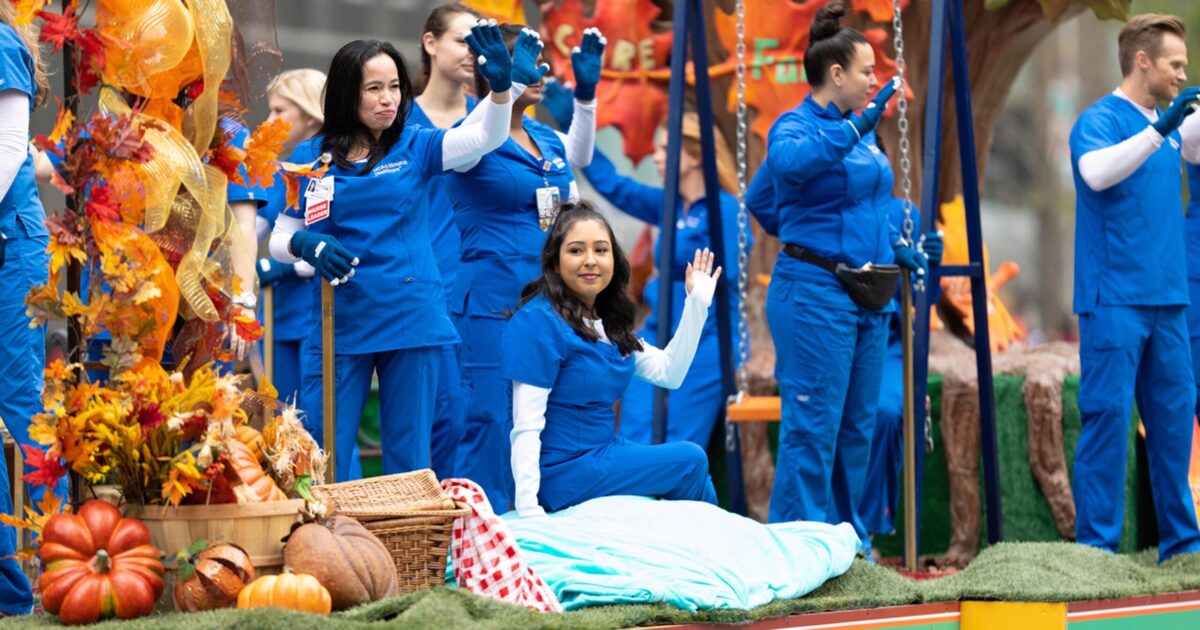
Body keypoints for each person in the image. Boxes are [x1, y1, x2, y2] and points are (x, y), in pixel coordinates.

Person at [268, 23, 520, 481]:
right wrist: (304, 242)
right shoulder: (309, 156)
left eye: (395, 88)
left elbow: (485, 139)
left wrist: (501, 90)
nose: (388, 99)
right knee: (322, 450)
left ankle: (404, 551)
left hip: (411, 316)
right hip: (337, 320)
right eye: (374, 89)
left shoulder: (417, 143)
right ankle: (332, 546)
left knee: (408, 456)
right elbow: (279, 240)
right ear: (347, 94)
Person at [762, 2, 930, 552]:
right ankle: (797, 550)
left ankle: (843, 543)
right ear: (837, 75)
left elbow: (872, 202)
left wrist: (894, 245)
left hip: (868, 294)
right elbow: (777, 182)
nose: (874, 81)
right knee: (813, 429)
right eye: (867, 71)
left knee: (857, 429)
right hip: (813, 293)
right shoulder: (796, 125)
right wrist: (807, 237)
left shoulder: (864, 137)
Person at [447, 24, 604, 509]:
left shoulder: (545, 138)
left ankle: (539, 520)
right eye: (528, 61)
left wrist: (586, 98)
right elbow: (485, 133)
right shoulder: (469, 135)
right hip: (493, 299)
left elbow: (576, 172)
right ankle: (484, 528)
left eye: (540, 60)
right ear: (495, 68)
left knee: (548, 413)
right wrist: (504, 88)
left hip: (550, 300)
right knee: (491, 414)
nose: (543, 70)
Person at [541, 89, 750, 447]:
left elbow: (726, 285)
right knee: (635, 429)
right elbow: (612, 184)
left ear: (696, 155)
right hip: (657, 330)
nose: (657, 156)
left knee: (677, 440)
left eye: (668, 149)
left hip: (705, 341)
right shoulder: (668, 205)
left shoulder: (724, 210)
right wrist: (573, 122)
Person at [1070, 13, 1200, 562]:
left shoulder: (1171, 127)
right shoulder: (1098, 119)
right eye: (1175, 64)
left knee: (1173, 426)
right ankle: (1097, 552)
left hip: (1169, 300)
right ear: (1142, 61)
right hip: (1113, 299)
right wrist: (1160, 129)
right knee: (1107, 422)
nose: (1182, 73)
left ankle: (1183, 545)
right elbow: (1096, 173)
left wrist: (1170, 126)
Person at [503, 201, 720, 516]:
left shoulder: (605, 323)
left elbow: (669, 372)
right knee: (691, 461)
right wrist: (528, 510)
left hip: (603, 453)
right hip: (562, 473)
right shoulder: (538, 322)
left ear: (614, 260)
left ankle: (699, 546)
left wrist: (697, 304)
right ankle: (713, 546)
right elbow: (525, 425)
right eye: (576, 251)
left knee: (688, 467)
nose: (590, 260)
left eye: (601, 250)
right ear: (555, 261)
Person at [408, 2, 481, 479]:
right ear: (430, 42)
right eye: (462, 40)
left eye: (479, 44)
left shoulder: (492, 118)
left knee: (469, 417)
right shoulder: (396, 119)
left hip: (478, 287)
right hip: (417, 288)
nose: (472, 53)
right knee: (420, 420)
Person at [0, 1, 49, 614]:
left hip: (10, 242)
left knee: (18, 401)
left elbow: (8, 147)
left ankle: (48, 564)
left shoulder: (1, 42)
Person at [254, 68, 325, 403]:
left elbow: (338, 237)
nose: (269, 120)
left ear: (310, 112)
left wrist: (290, 267)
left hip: (316, 312)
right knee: (282, 419)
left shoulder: (329, 160)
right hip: (277, 314)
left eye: (280, 111)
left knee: (321, 422)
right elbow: (253, 228)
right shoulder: (278, 169)